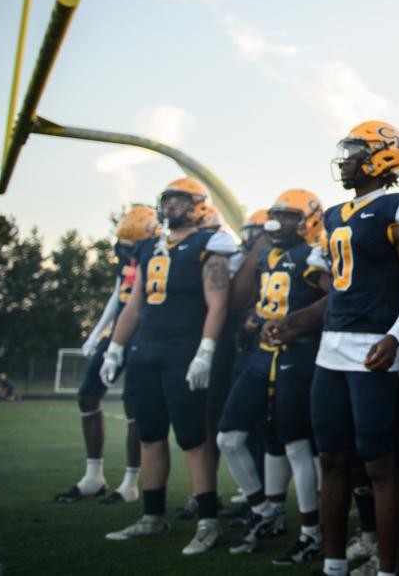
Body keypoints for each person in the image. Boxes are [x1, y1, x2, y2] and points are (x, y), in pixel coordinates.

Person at [269, 121, 399, 576]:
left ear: (381, 158)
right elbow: (339, 290)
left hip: (373, 345)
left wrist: (394, 337)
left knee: (380, 462)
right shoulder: (338, 214)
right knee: (333, 459)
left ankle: (385, 568)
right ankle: (334, 564)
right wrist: (295, 322)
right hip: (332, 347)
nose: (344, 160)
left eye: (354, 152)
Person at [100, 177, 239, 555]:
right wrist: (115, 347)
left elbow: (218, 304)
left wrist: (205, 350)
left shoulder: (207, 246)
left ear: (197, 206)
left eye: (180, 200)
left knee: (193, 438)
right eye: (168, 200)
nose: (172, 206)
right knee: (149, 435)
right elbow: (134, 305)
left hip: (184, 350)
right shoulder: (148, 247)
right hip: (146, 351)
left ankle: (208, 521)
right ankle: (152, 517)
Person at [217, 189, 329, 563]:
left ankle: (313, 532)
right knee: (229, 437)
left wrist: (297, 325)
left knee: (296, 445)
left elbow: (335, 300)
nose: (279, 223)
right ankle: (265, 509)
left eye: (289, 217)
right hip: (261, 355)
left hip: (297, 356)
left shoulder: (313, 255)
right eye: (277, 216)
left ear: (309, 220)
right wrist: (256, 318)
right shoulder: (268, 254)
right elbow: (266, 299)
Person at [55, 205, 160, 505]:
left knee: (133, 405)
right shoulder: (128, 260)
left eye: (131, 247)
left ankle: (130, 482)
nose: (125, 253)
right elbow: (118, 296)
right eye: (122, 246)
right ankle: (93, 476)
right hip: (118, 332)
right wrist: (96, 334)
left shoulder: (158, 256)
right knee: (87, 395)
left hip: (145, 332)